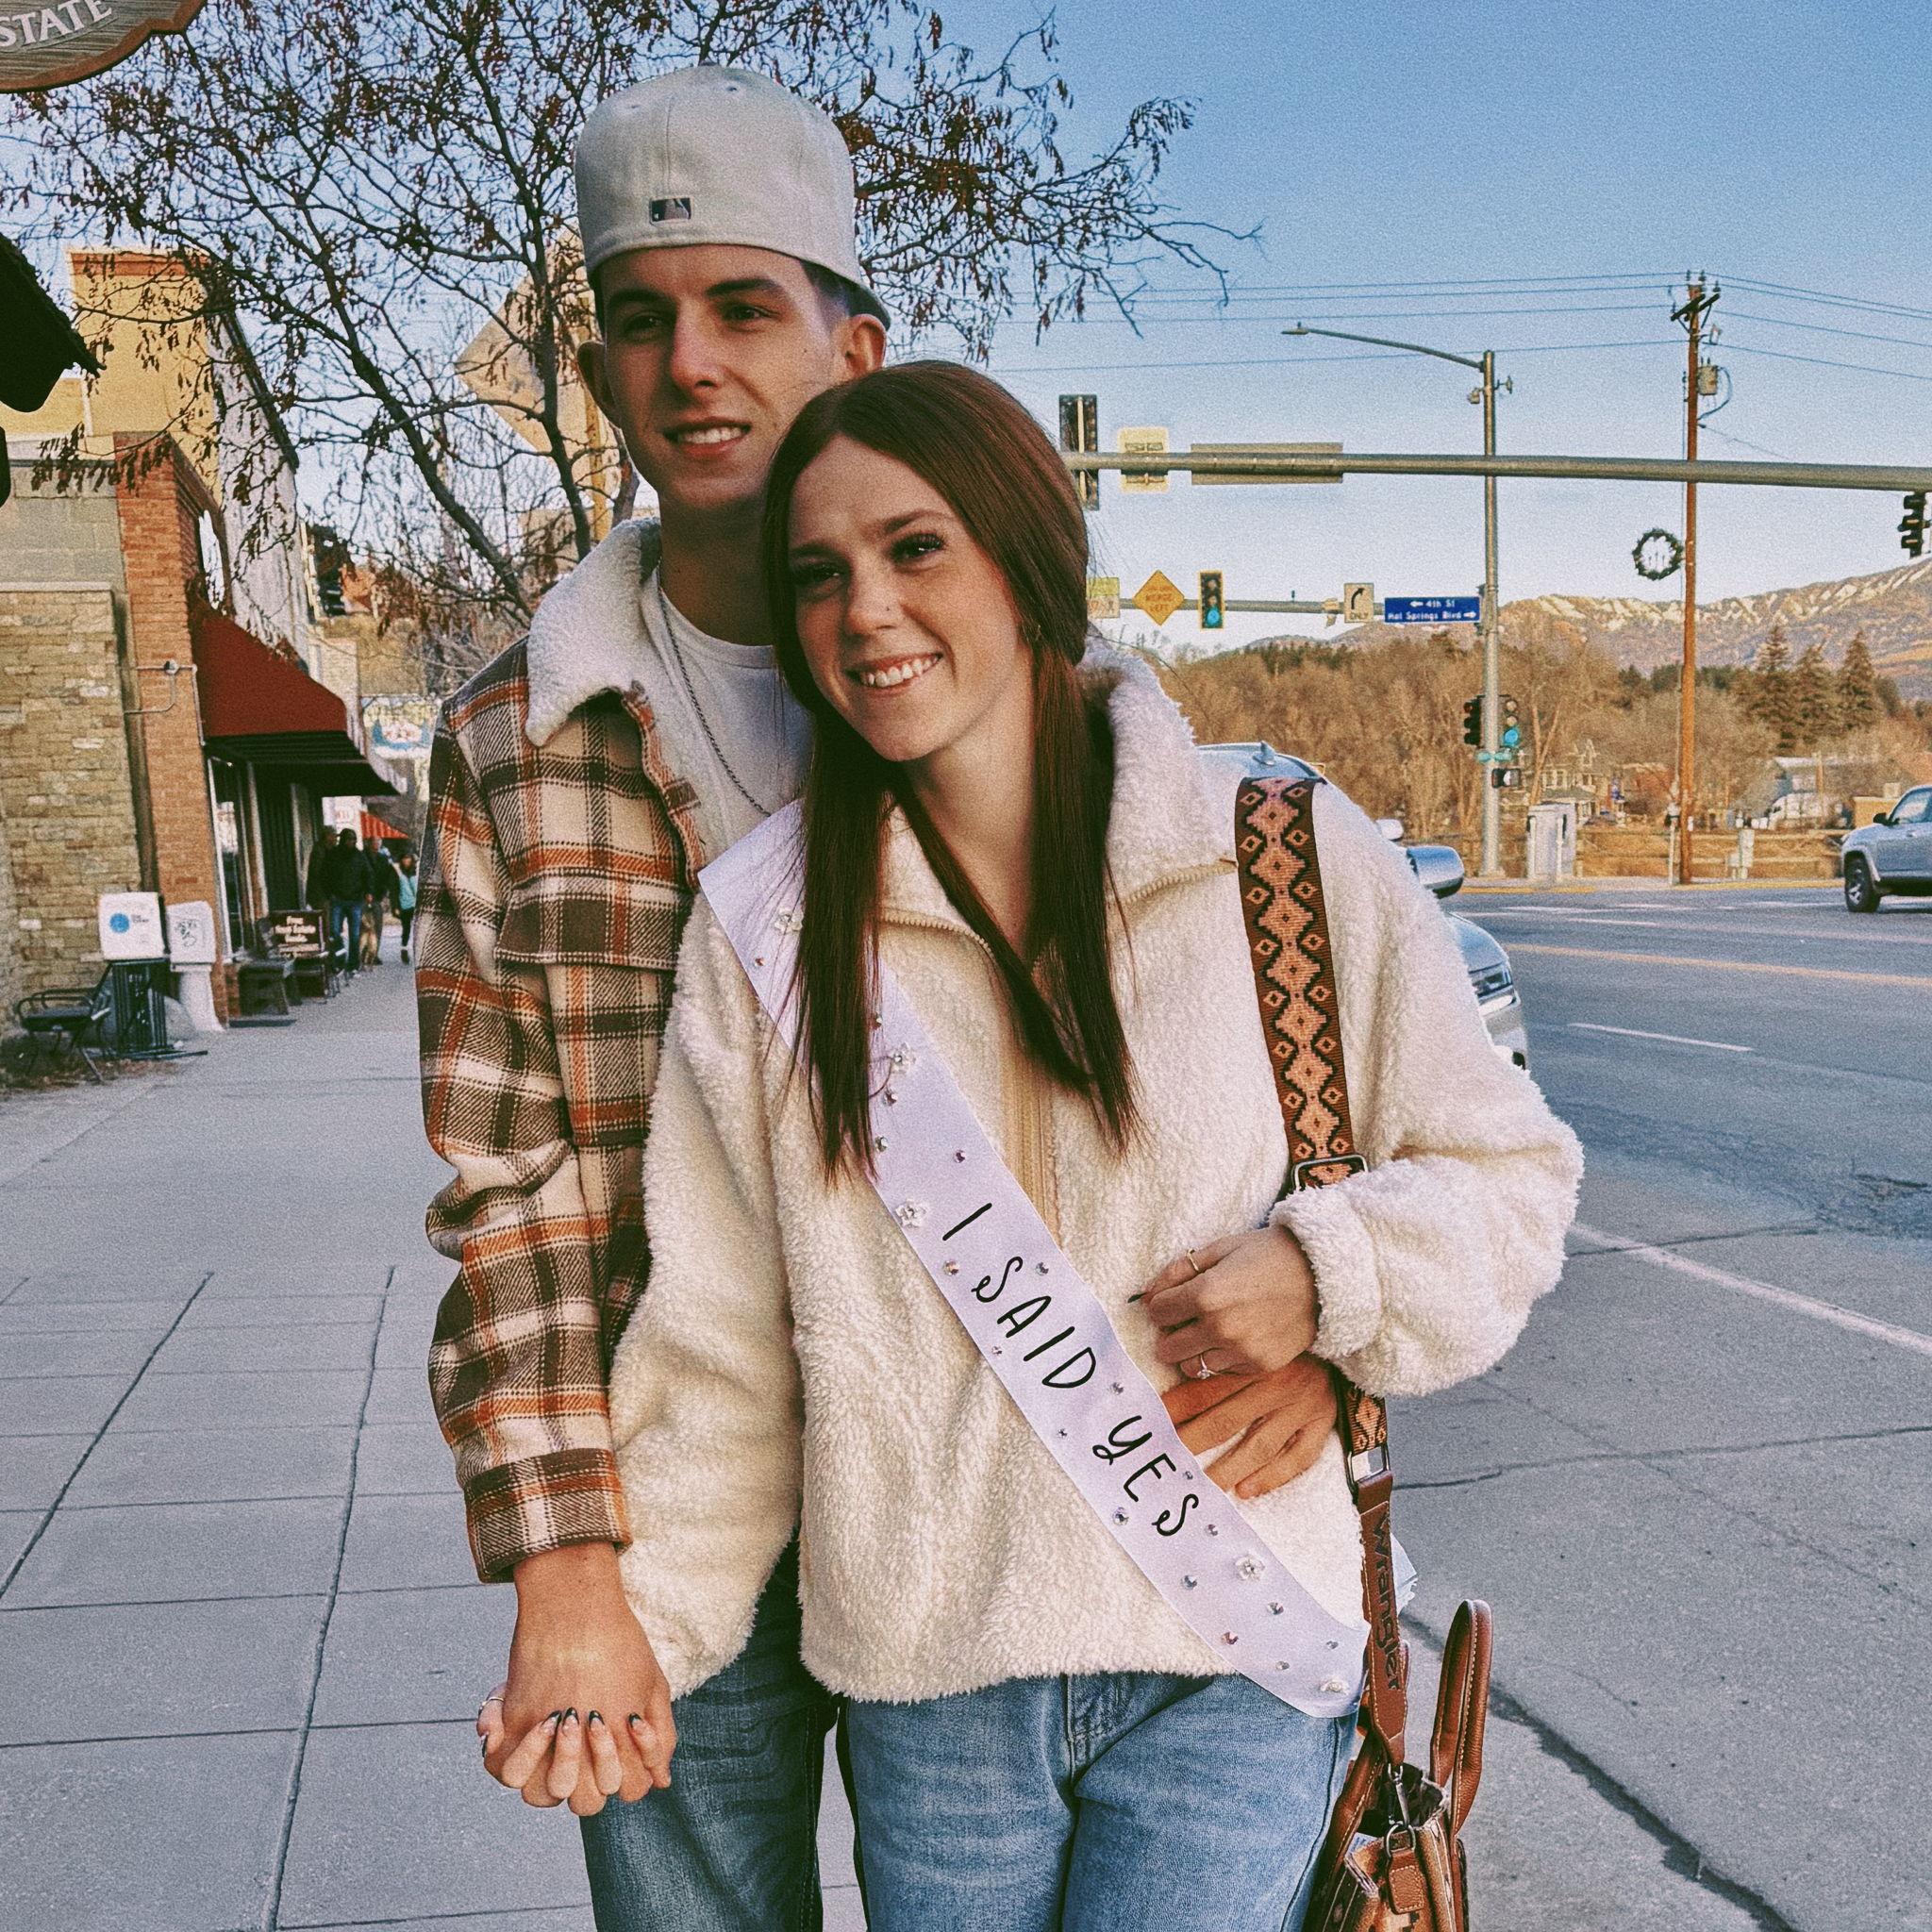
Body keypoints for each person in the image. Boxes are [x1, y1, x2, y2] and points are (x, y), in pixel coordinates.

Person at [427, 67, 1344, 1932]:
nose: (691, 363)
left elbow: (1263, 1105)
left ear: (853, 343)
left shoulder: (1021, 683)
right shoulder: (517, 741)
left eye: (742, 306)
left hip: (998, 1493)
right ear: (594, 373)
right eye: (638, 321)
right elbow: (506, 1186)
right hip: (684, 1493)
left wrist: (1326, 1316)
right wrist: (566, 1557)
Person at [599, 361, 1583, 1931]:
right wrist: (633, 1629)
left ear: (1026, 559)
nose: (865, 609)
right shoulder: (769, 935)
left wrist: (1324, 1274)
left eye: (915, 547)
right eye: (819, 573)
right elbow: (718, 1348)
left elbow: (1510, 1181)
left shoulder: (1277, 851)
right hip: (936, 1683)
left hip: (1232, 1658)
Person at [325, 828, 371, 973]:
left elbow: (368, 874)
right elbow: (324, 875)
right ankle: (339, 959)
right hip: (337, 899)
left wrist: (368, 891)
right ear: (343, 840)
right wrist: (329, 893)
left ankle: (353, 963)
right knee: (334, 931)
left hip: (355, 900)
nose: (351, 842)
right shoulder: (333, 855)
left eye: (353, 839)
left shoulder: (359, 856)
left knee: (355, 935)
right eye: (349, 839)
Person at [363, 839, 399, 964]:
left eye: (378, 842)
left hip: (377, 896)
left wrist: (385, 891)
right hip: (363, 896)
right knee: (365, 926)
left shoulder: (383, 858)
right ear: (369, 843)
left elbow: (388, 876)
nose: (377, 845)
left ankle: (374, 954)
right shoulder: (362, 856)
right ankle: (364, 953)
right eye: (374, 842)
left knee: (377, 927)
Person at [393, 853, 418, 962]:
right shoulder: (398, 873)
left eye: (408, 858)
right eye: (404, 858)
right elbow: (394, 891)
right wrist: (395, 906)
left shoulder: (416, 872)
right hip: (404, 905)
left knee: (418, 930)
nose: (406, 861)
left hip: (416, 905)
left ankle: (418, 952)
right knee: (406, 929)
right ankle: (404, 950)